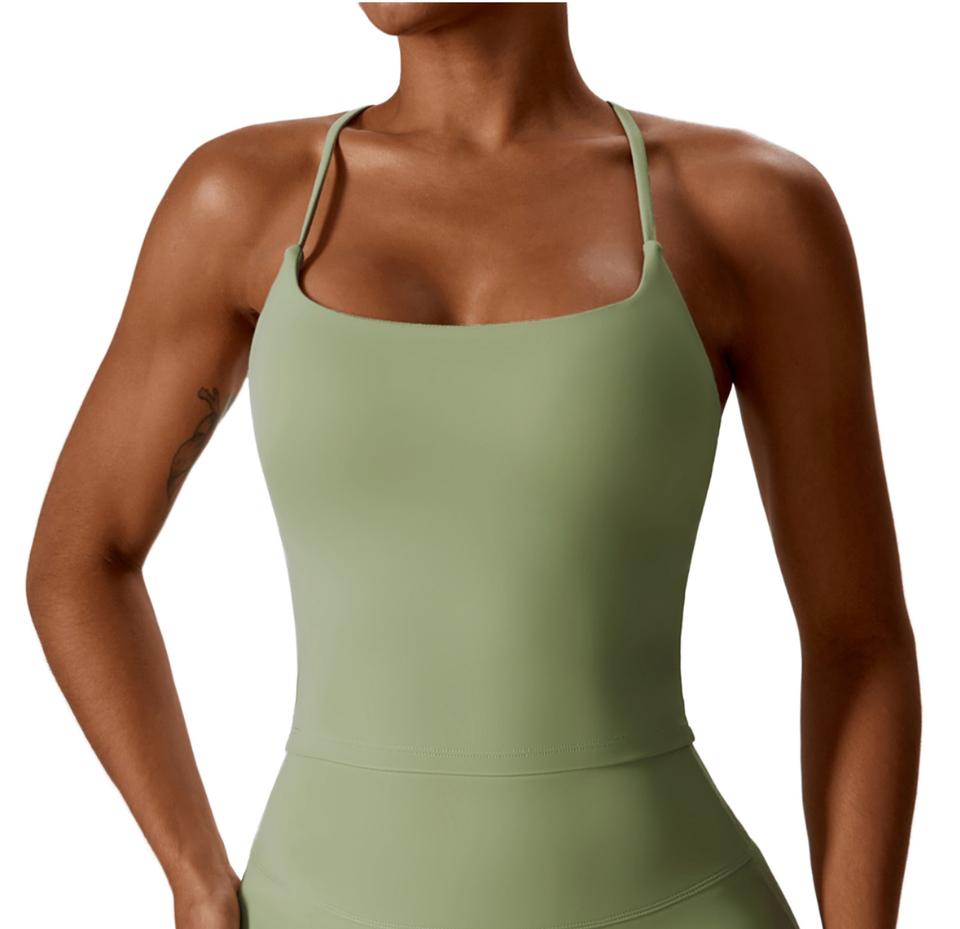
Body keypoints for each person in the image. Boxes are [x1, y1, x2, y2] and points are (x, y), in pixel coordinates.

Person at [25, 3, 921, 928]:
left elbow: (856, 639)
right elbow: (81, 560)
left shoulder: (746, 208)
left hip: (678, 900)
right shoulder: (245, 201)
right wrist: (194, 876)